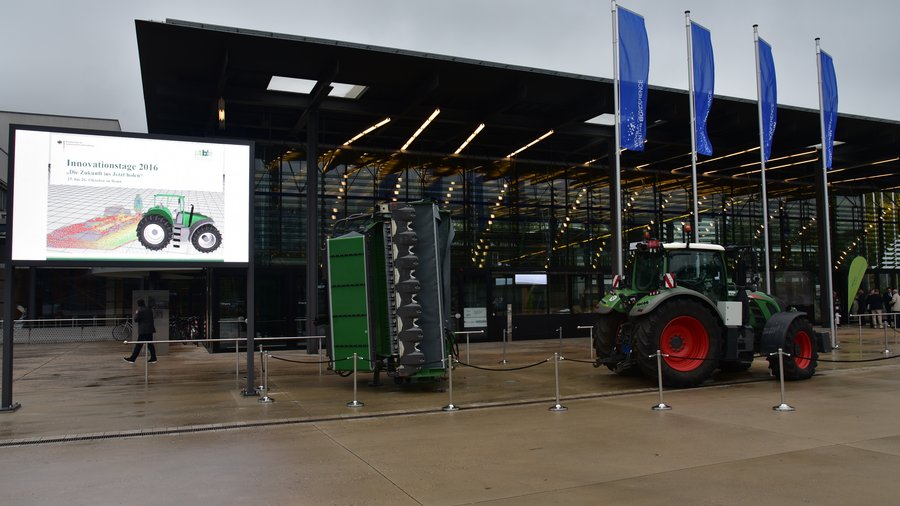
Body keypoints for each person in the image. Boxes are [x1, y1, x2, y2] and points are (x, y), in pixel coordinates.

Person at [124, 299, 157, 363]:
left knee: (138, 345)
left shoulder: (140, 310)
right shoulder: (149, 310)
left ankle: (132, 359)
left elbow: (136, 320)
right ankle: (154, 358)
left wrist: (136, 313)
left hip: (143, 331)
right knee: (150, 345)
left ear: (138, 304)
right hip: (150, 330)